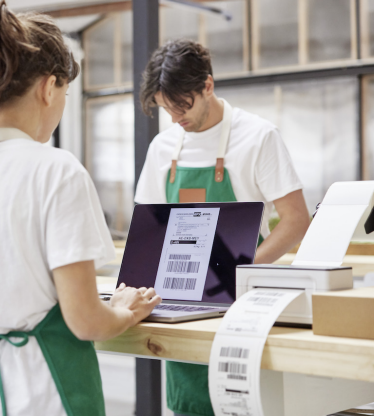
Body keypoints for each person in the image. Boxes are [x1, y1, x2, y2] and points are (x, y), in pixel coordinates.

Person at [0, 2, 162, 415]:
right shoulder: (56, 170)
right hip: (42, 395)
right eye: (65, 92)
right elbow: (87, 321)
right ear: (49, 88)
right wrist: (121, 310)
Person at [135, 39, 310, 416]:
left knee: (247, 400)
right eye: (166, 108)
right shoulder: (162, 147)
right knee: (193, 404)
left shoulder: (258, 136)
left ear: (208, 86)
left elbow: (296, 220)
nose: (174, 117)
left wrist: (238, 272)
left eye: (182, 105)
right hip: (182, 304)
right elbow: (148, 227)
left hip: (246, 305)